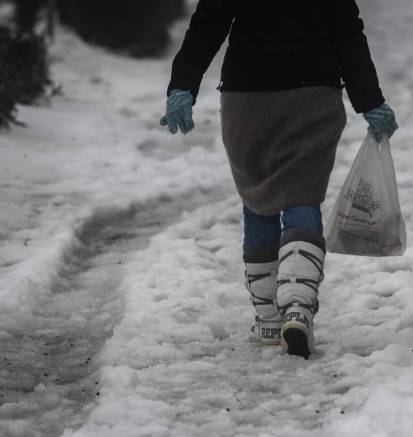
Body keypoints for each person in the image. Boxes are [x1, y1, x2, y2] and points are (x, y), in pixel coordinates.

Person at [160, 0, 398, 358]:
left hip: (247, 98)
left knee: (258, 200)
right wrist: (370, 101)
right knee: (302, 194)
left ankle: (268, 317)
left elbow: (207, 24)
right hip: (313, 95)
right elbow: (348, 35)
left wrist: (183, 85)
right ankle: (298, 305)